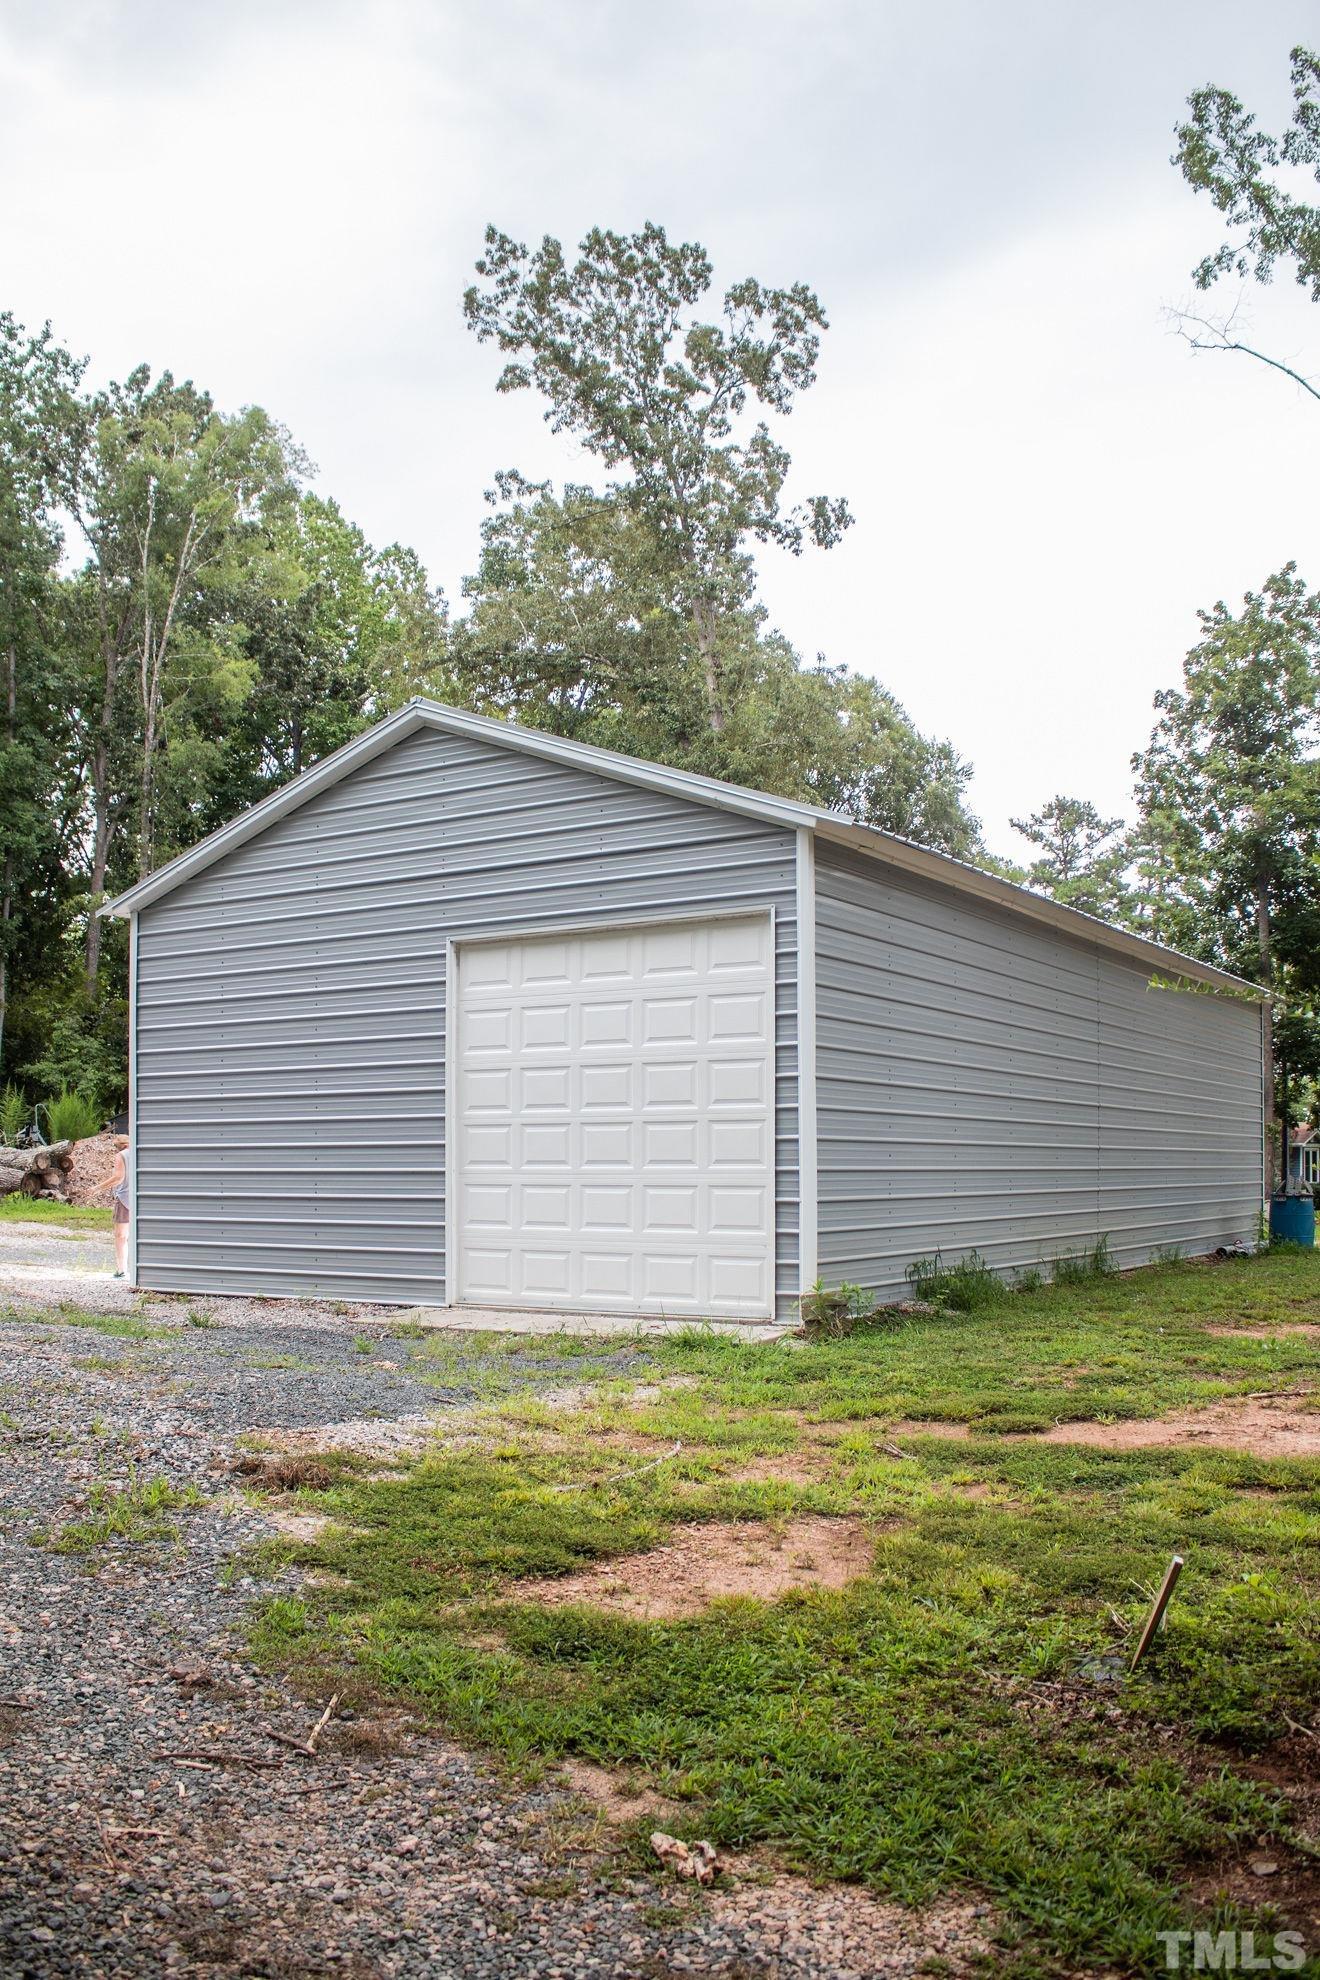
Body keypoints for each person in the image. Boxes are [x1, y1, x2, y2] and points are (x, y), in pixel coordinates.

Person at [110, 1135, 132, 1279]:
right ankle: (131, 1266)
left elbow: (118, 1177)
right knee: (131, 1234)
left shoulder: (121, 1155)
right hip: (136, 1199)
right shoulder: (137, 1153)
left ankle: (121, 1269)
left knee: (120, 1235)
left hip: (124, 1198)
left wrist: (98, 1187)